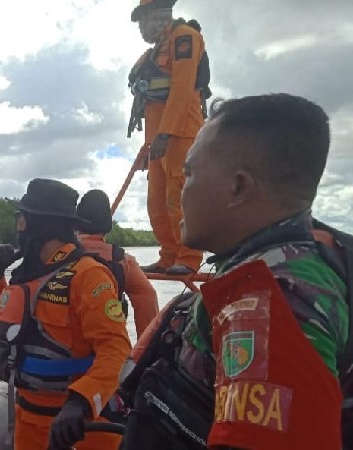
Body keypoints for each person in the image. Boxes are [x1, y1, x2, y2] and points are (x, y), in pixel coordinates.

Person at [118, 94, 351, 450]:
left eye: (190, 174)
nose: (180, 190)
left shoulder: (271, 301)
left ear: (239, 187)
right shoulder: (303, 255)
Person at [0, 178, 131, 450]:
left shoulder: (88, 275)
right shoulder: (26, 273)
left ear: (41, 223)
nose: (18, 227)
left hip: (77, 430)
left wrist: (81, 402)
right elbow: (8, 330)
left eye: (21, 219)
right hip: (28, 419)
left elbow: (115, 348)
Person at [127, 0, 210, 276]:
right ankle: (168, 255)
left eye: (143, 22)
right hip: (157, 140)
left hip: (181, 134)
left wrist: (165, 134)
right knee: (157, 203)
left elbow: (182, 89)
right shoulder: (154, 52)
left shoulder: (185, 38)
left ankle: (188, 257)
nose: (141, 30)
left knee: (179, 198)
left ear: (158, 17)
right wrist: (150, 144)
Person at [76, 189, 159, 339]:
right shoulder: (122, 260)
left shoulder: (61, 253)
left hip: (61, 348)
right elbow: (147, 297)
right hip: (108, 345)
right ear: (108, 225)